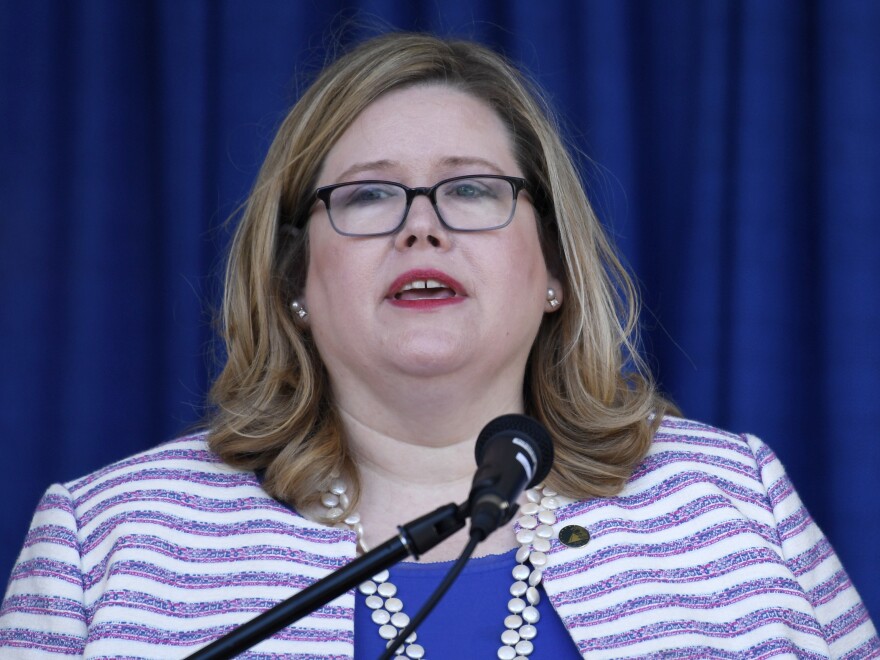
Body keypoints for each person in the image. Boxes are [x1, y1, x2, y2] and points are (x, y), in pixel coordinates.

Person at [1, 32, 877, 659]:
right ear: (295, 282)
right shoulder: (108, 538)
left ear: (554, 271)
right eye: (370, 197)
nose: (422, 228)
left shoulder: (731, 503)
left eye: (469, 188)